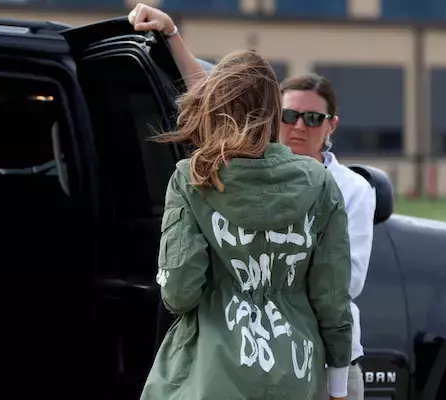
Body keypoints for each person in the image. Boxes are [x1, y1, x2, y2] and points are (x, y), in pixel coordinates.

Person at [128, 4, 353, 400]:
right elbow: (333, 299)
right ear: (274, 112)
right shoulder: (320, 182)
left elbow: (179, 292)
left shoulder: (192, 178)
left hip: (210, 374)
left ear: (215, 107)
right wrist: (337, 386)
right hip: (296, 371)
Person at [279, 73, 376, 400]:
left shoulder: (353, 189)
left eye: (312, 118)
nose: (299, 126)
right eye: (289, 115)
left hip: (328, 357)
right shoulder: (251, 178)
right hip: (264, 353)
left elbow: (349, 280)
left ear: (331, 125)